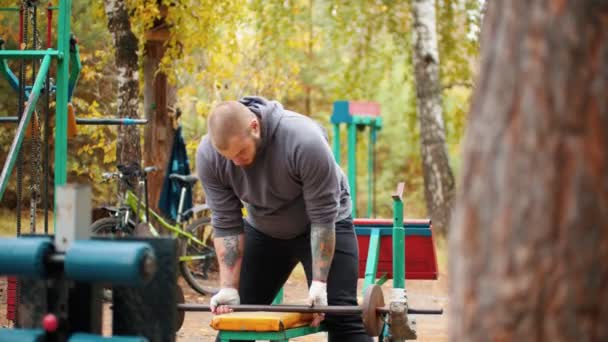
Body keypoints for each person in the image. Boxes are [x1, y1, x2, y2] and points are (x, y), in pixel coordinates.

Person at [195, 96, 372, 342]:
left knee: (340, 313)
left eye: (241, 152)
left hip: (324, 223)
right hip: (265, 229)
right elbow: (226, 223)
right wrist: (228, 288)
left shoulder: (304, 140)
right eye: (229, 157)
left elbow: (322, 216)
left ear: (254, 127)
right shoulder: (209, 156)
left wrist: (320, 285)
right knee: (235, 318)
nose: (236, 162)